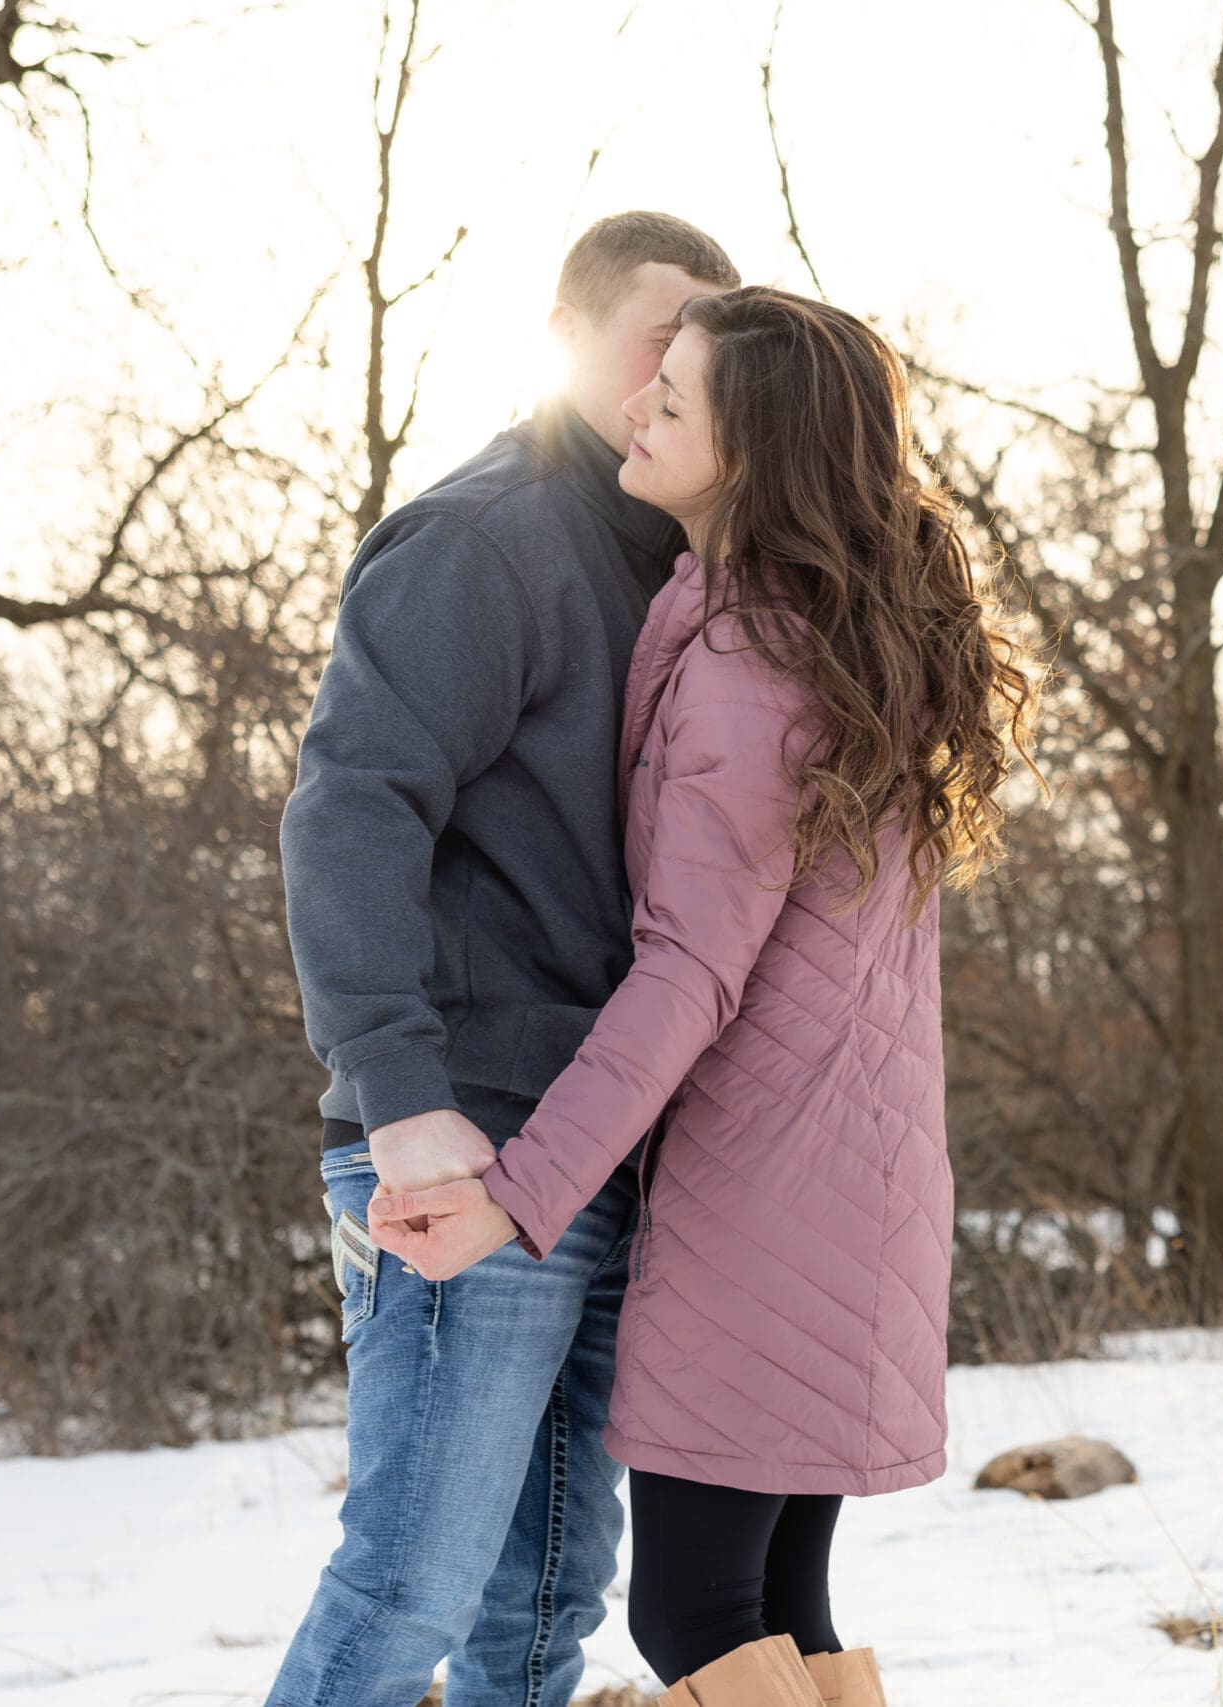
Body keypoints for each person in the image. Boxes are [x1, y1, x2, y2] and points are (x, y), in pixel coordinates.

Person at [371, 287, 1042, 1707]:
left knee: (691, 1615)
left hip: (762, 1205)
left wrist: (520, 1191)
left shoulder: (748, 664)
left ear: (753, 454)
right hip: (858, 1193)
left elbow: (690, 971)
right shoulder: (845, 642)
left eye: (673, 402)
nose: (636, 409)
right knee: (775, 1601)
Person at [266, 213, 740, 1707]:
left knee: (543, 1606)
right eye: (649, 338)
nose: (671, 374)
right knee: (411, 1582)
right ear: (568, 331)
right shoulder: (486, 540)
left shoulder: (672, 561)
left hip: (601, 1153)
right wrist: (399, 1095)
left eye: (697, 350)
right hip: (461, 1143)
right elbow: (346, 815)